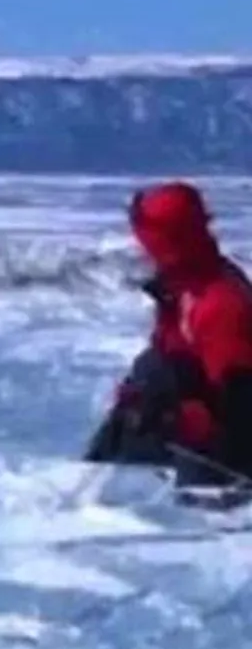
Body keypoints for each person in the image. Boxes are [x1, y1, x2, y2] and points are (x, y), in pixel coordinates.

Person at [84, 181, 252, 500]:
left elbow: (243, 398)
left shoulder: (219, 303)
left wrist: (189, 419)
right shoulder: (187, 285)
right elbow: (169, 353)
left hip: (227, 457)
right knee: (148, 378)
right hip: (199, 432)